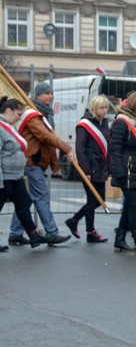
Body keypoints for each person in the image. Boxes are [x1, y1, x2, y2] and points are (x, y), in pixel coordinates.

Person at [8, 82, 74, 246]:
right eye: (46, 93)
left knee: (26, 200)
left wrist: (54, 162)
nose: (50, 96)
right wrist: (67, 149)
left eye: (52, 93)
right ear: (37, 95)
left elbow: (47, 141)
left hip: (34, 161)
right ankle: (52, 232)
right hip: (32, 162)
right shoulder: (32, 115)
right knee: (42, 196)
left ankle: (15, 233)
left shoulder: (42, 114)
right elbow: (46, 136)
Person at [109, 92, 136, 253]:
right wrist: (119, 172)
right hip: (126, 171)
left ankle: (120, 239)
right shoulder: (121, 124)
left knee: (129, 205)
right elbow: (115, 150)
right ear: (134, 106)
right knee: (134, 204)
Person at [0, 97, 47, 249]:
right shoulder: (1, 127)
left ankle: (33, 235)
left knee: (23, 203)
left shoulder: (9, 125)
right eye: (18, 114)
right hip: (5, 176)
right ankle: (33, 234)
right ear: (9, 111)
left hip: (15, 175)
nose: (20, 117)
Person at [67, 95, 111, 243]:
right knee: (93, 200)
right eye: (101, 108)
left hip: (101, 167)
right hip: (90, 167)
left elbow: (107, 146)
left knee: (100, 200)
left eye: (106, 108)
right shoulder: (84, 125)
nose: (104, 111)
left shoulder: (105, 123)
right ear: (94, 108)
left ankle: (74, 220)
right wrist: (86, 171)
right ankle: (90, 232)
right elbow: (80, 149)